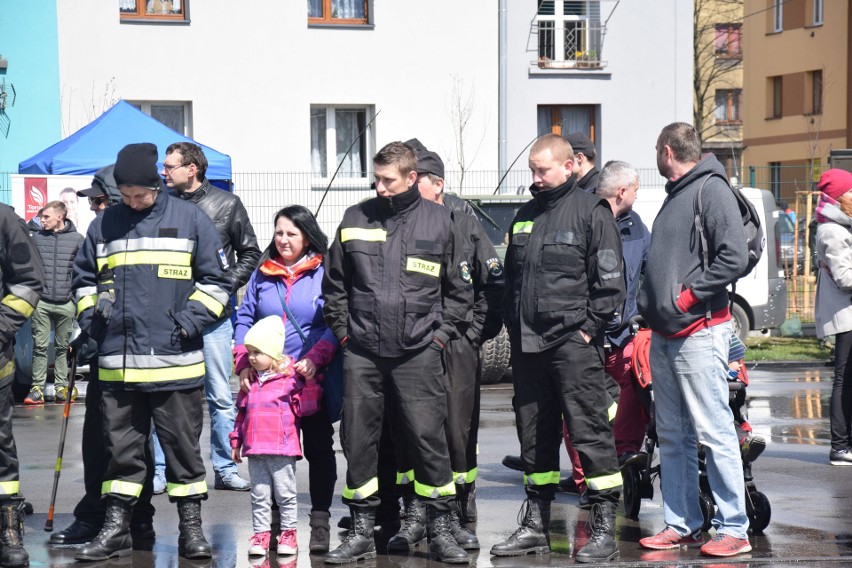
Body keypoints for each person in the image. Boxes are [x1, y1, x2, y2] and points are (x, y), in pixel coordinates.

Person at [72, 143, 230, 561]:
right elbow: (83, 280)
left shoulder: (191, 219)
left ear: (157, 186)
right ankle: (117, 530)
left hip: (174, 363)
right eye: (124, 194)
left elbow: (218, 283)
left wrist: (189, 322)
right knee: (120, 456)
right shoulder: (104, 225)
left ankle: (191, 530)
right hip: (117, 366)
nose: (132, 201)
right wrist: (93, 318)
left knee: (182, 452)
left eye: (138, 194)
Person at [322, 141, 473, 564]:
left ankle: (440, 528)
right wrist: (346, 336)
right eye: (376, 179)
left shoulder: (442, 220)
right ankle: (362, 531)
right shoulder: (355, 217)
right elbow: (335, 286)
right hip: (363, 353)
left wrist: (439, 338)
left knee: (428, 441)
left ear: (412, 178)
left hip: (419, 352)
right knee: (358, 441)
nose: (380, 187)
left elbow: (459, 293)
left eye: (388, 180)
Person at [492, 133, 625, 563]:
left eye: (543, 169)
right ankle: (535, 525)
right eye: (531, 169)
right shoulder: (525, 215)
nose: (536, 177)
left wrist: (587, 331)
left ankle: (604, 527)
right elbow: (512, 281)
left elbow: (609, 284)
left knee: (590, 433)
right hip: (527, 347)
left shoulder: (592, 212)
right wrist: (512, 326)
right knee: (535, 437)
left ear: (569, 166)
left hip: (571, 344)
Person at [637, 122, 751, 558]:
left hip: (699, 332)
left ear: (668, 150)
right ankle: (682, 524)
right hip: (668, 334)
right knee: (672, 433)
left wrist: (686, 296)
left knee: (714, 431)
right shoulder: (678, 191)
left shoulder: (711, 189)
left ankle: (734, 529)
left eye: (655, 149)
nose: (655, 155)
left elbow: (734, 256)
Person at [387, 147, 503, 551]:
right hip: (414, 347)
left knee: (456, 430)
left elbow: (492, 287)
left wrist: (471, 336)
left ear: (436, 184)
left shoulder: (464, 223)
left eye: (417, 180)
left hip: (455, 345)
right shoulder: (399, 222)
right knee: (412, 430)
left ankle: (458, 510)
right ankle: (414, 509)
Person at [49, 164, 158, 549]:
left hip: (149, 355)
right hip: (106, 352)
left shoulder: (147, 230)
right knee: (99, 439)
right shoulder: (100, 232)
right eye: (92, 201)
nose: (93, 207)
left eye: (97, 199)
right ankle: (96, 514)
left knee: (131, 444)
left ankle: (135, 521)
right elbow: (84, 281)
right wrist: (88, 323)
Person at [234, 205, 339, 553]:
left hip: (309, 379)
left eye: (291, 233)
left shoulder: (324, 272)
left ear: (307, 235)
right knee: (270, 455)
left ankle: (320, 520)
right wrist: (243, 362)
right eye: (279, 232)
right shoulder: (261, 274)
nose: (283, 240)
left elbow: (332, 323)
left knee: (320, 449)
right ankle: (274, 525)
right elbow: (243, 318)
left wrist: (314, 359)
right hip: (266, 385)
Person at [161, 141, 261, 492]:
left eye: (170, 166)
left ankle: (225, 468)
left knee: (220, 395)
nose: (163, 171)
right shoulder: (162, 204)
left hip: (215, 316)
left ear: (192, 168)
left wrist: (223, 286)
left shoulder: (227, 204)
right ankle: (162, 470)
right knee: (164, 393)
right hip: (170, 315)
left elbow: (251, 253)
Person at [557, 160, 652, 503]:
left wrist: (645, 316)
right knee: (579, 407)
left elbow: (649, 273)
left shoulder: (638, 228)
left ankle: (625, 456)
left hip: (624, 336)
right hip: (587, 336)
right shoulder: (585, 219)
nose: (638, 195)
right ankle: (586, 482)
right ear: (623, 191)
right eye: (637, 189)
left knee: (638, 390)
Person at [231, 316, 302, 559]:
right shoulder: (248, 383)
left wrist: (311, 383)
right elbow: (240, 415)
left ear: (273, 353)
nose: (251, 357)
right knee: (259, 496)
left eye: (257, 352)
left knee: (285, 495)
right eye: (249, 352)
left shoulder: (290, 380)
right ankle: (261, 535)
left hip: (282, 450)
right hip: (256, 450)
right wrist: (236, 442)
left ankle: (288, 534)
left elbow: (307, 407)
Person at [0, 203, 44, 568]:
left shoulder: (4, 219)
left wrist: (0, 327)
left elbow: (28, 282)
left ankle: (7, 527)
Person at [23, 201, 84, 406]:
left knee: (62, 347)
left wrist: (74, 299)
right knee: (39, 347)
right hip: (41, 301)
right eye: (41, 217)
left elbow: (81, 272)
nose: (42, 220)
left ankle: (61, 388)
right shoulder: (37, 237)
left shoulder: (77, 239)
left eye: (46, 217)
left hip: (66, 303)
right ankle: (37, 388)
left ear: (60, 216)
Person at [813, 168, 852, 466]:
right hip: (845, 314)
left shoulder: (841, 225)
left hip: (847, 311)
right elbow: (844, 277)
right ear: (840, 198)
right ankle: (839, 446)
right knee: (843, 378)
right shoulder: (832, 231)